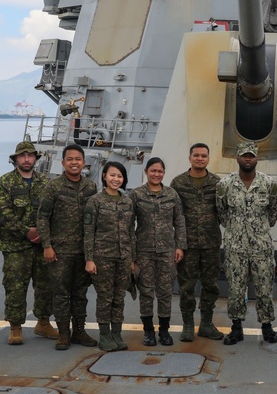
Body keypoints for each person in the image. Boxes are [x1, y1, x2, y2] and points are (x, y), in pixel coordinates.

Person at [216, 142, 277, 345]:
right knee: (236, 289)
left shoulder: (269, 184)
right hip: (235, 247)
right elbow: (222, 213)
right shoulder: (225, 185)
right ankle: (236, 328)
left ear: (256, 159)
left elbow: (273, 212)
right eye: (244, 156)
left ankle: (267, 327)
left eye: (251, 156)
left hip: (261, 246)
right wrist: (235, 231)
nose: (247, 159)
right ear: (237, 158)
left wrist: (258, 230)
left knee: (264, 288)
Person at [0, 141, 58, 346]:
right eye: (23, 156)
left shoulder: (46, 182)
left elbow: (52, 211)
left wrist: (43, 235)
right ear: (16, 159)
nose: (27, 159)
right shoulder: (5, 182)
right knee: (15, 286)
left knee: (45, 285)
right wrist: (26, 231)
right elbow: (3, 212)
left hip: (41, 244)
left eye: (30, 155)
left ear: (35, 159)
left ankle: (43, 322)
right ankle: (15, 327)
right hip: (15, 246)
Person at [37, 144, 98, 350]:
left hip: (83, 251)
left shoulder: (91, 187)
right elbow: (43, 218)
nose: (74, 162)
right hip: (60, 251)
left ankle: (79, 331)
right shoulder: (53, 187)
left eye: (78, 159)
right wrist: (47, 245)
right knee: (61, 294)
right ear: (63, 163)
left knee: (80, 293)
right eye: (70, 159)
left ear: (84, 162)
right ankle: (64, 333)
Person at [130, 157, 186, 347]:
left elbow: (179, 221)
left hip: (167, 251)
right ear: (146, 171)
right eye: (153, 171)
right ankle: (148, 332)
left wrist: (180, 246)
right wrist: (132, 255)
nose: (156, 174)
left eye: (160, 171)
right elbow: (129, 226)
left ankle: (164, 330)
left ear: (163, 173)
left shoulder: (172, 194)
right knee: (146, 292)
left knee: (165, 292)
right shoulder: (136, 195)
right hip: (144, 251)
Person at [170, 142, 223, 341]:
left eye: (203, 155)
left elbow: (223, 212)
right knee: (186, 285)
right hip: (188, 244)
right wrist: (178, 244)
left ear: (208, 159)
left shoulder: (217, 183)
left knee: (210, 285)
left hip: (211, 243)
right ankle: (188, 324)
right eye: (196, 155)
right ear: (190, 158)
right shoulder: (178, 183)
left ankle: (207, 324)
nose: (200, 158)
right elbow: (175, 215)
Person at [84, 161, 135, 352]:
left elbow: (131, 232)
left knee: (119, 297)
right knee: (105, 297)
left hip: (123, 258)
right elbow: (88, 232)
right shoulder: (95, 201)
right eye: (112, 175)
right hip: (102, 257)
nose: (116, 179)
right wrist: (89, 259)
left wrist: (131, 259)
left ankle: (117, 333)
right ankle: (104, 335)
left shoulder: (127, 201)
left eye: (120, 176)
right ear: (104, 176)